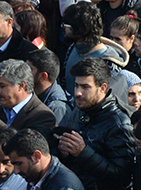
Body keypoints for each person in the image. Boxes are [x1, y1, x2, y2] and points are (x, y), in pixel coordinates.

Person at [57, 58, 135, 190]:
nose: (78, 93)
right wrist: (64, 152)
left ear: (102, 88)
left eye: (85, 87)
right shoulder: (78, 112)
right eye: (76, 85)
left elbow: (122, 176)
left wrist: (83, 152)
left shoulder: (118, 122)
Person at [2, 130, 83, 190]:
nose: (16, 171)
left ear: (36, 156)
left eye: (19, 164)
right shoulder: (35, 177)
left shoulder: (64, 186)